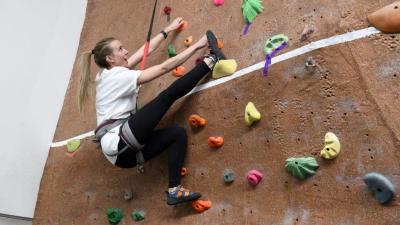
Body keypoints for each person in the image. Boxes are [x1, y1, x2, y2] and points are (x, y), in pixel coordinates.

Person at [77, 17, 226, 205]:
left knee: (177, 134)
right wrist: (198, 45)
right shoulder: (115, 76)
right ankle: (211, 60)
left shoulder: (106, 74)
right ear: (110, 58)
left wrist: (166, 31)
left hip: (123, 157)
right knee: (166, 97)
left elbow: (142, 53)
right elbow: (163, 68)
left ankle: (174, 190)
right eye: (121, 49)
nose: (126, 51)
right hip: (119, 141)